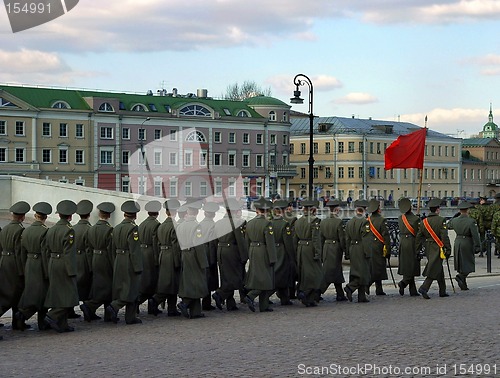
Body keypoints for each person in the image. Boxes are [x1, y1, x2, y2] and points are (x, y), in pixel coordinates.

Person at [44, 200, 79, 333]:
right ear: (70, 216)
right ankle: (52, 315)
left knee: (59, 294)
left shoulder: (51, 229)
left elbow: (46, 249)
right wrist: (72, 271)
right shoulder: (68, 231)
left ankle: (62, 324)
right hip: (64, 264)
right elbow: (69, 252)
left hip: (53, 262)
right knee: (68, 294)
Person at [15, 202, 52, 331]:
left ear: (35, 216)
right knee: (43, 294)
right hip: (40, 265)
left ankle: (24, 315)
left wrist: (24, 266)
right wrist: (48, 271)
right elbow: (45, 252)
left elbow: (21, 252)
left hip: (29, 264)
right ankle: (35, 319)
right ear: (45, 217)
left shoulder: (25, 231)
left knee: (32, 292)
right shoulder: (45, 232)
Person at [105, 201, 143, 325]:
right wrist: (138, 266)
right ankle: (116, 307)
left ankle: (128, 316)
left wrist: (114, 260)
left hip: (118, 259)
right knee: (132, 287)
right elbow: (134, 249)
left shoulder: (116, 228)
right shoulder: (133, 228)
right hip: (128, 259)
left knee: (121, 287)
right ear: (135, 215)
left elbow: (111, 247)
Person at [80, 202, 115, 322]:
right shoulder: (109, 230)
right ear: (109, 216)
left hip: (95, 258)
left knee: (99, 285)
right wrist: (113, 263)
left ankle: (103, 312)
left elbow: (88, 247)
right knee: (107, 286)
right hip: (105, 259)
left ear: (99, 214)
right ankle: (90, 306)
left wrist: (90, 262)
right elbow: (111, 249)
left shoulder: (92, 229)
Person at [212, 198, 248, 311]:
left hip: (221, 251)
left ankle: (230, 303)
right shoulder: (237, 222)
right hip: (233, 251)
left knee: (225, 276)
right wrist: (244, 257)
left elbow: (214, 241)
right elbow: (240, 241)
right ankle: (220, 294)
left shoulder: (218, 223)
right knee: (236, 278)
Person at [148, 199, 182, 317]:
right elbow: (176, 245)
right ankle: (157, 300)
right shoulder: (175, 225)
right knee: (171, 283)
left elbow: (156, 243)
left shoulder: (161, 226)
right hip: (172, 256)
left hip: (163, 255)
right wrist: (178, 261)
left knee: (169, 282)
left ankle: (171, 308)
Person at [176, 200, 209, 319]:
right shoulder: (197, 226)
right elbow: (198, 244)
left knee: (190, 281)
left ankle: (196, 312)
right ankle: (185, 303)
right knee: (197, 281)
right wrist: (203, 261)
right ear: (196, 212)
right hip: (194, 255)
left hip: (185, 254)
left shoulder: (181, 225)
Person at [0, 201, 30, 330]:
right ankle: (17, 322)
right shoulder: (19, 230)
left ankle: (17, 322)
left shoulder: (5, 228)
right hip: (14, 263)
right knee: (14, 293)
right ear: (22, 216)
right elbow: (19, 252)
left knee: (8, 292)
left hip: (4, 261)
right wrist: (22, 270)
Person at [243, 197, 277, 312]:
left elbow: (246, 240)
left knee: (259, 276)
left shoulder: (250, 223)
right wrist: (273, 258)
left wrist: (249, 253)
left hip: (253, 250)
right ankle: (251, 296)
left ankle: (264, 305)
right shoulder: (267, 224)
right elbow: (270, 243)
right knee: (265, 278)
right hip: (263, 251)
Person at [416, 198, 452, 299]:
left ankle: (442, 290)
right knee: (434, 267)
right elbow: (444, 236)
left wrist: (418, 249)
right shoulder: (441, 220)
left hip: (428, 246)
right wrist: (448, 249)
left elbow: (419, 236)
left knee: (437, 266)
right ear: (437, 209)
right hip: (438, 247)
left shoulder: (424, 222)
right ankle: (424, 287)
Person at [293, 199, 323, 307]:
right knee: (315, 274)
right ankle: (304, 293)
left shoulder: (298, 221)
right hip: (310, 248)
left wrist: (296, 250)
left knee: (304, 273)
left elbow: (294, 238)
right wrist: (318, 252)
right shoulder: (315, 221)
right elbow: (316, 239)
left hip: (301, 248)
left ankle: (309, 299)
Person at [447, 201, 481, 290]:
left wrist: (454, 217)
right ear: (468, 210)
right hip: (467, 242)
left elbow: (448, 226)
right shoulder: (471, 221)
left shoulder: (455, 220)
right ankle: (461, 276)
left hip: (457, 241)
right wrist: (478, 245)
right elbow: (475, 234)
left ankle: (463, 284)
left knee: (460, 263)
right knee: (469, 263)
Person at [319, 199, 347, 301]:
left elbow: (321, 238)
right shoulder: (338, 222)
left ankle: (340, 293)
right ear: (337, 209)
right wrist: (345, 250)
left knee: (336, 271)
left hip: (326, 247)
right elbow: (342, 238)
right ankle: (317, 292)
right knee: (331, 271)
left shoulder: (323, 221)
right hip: (335, 248)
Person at [344, 200, 371, 303]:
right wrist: (368, 252)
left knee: (356, 271)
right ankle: (350, 287)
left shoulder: (350, 222)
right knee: (362, 272)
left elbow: (347, 239)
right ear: (364, 210)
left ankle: (361, 295)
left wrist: (347, 252)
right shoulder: (365, 222)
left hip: (352, 248)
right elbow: (366, 239)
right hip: (361, 248)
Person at [71, 199, 94, 319]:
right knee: (87, 284)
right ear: (89, 214)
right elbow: (89, 249)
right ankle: (87, 308)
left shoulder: (73, 228)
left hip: (74, 257)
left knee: (74, 283)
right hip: (84, 258)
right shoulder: (89, 229)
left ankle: (69, 310)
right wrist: (91, 265)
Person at [137, 200, 161, 314]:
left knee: (144, 281)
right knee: (152, 281)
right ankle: (149, 305)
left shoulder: (141, 224)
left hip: (141, 253)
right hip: (151, 253)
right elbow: (156, 243)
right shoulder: (156, 225)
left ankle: (137, 302)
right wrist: (157, 259)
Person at [270, 200, 295, 306]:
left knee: (280, 274)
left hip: (272, 250)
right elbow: (288, 243)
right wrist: (292, 256)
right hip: (282, 251)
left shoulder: (270, 222)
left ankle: (285, 298)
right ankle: (266, 295)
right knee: (282, 274)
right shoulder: (285, 224)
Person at [396, 198, 421, 296]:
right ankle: (403, 283)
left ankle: (413, 289)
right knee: (412, 265)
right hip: (412, 242)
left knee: (408, 265)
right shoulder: (415, 219)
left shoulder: (400, 218)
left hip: (402, 242)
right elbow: (418, 233)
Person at [366, 199, 391, 296]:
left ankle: (379, 288)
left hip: (370, 246)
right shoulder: (382, 220)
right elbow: (386, 236)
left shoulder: (368, 220)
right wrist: (388, 250)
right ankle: (368, 285)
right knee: (379, 268)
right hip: (379, 246)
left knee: (374, 267)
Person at [199, 202, 219, 311]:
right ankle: (206, 303)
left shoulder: (200, 224)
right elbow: (212, 243)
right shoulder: (213, 225)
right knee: (209, 277)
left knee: (203, 276)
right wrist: (213, 258)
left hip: (201, 250)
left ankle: (205, 302)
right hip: (209, 251)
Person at [283, 200, 298, 300]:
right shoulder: (293, 218)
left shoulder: (277, 218)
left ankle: (284, 293)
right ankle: (291, 293)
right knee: (292, 270)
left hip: (280, 248)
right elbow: (294, 235)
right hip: (290, 246)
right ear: (289, 207)